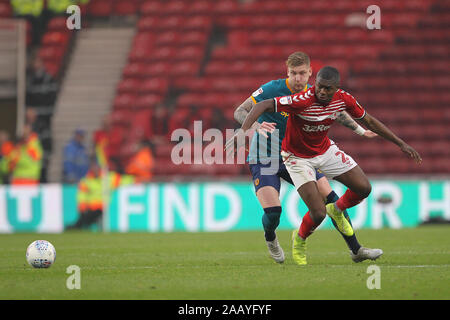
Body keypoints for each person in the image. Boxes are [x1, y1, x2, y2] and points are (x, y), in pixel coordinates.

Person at [227, 65, 422, 265]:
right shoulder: (281, 92)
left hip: (313, 153)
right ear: (288, 72)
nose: (298, 78)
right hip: (271, 157)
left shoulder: (334, 97)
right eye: (294, 73)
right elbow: (246, 109)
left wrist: (367, 133)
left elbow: (345, 113)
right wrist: (246, 131)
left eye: (302, 73)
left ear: (310, 73)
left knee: (335, 199)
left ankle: (356, 249)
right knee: (275, 213)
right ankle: (271, 239)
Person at [66, 159, 134, 230]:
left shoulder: (108, 178)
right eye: (93, 167)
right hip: (90, 206)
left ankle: (78, 226)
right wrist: (82, 205)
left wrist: (136, 179)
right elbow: (81, 195)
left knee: (89, 217)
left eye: (96, 167)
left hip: (102, 206)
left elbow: (124, 180)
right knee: (84, 215)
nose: (95, 169)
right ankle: (78, 226)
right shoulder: (86, 180)